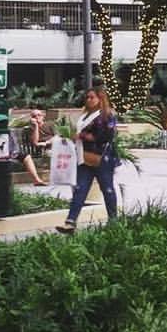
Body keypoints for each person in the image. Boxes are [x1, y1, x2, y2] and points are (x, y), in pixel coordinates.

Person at [56, 87, 118, 234]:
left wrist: (83, 136)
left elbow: (107, 136)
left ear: (100, 99)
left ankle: (114, 221)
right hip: (84, 157)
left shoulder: (106, 115)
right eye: (87, 97)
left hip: (102, 158)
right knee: (80, 189)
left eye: (92, 97)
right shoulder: (85, 115)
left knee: (107, 189)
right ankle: (70, 222)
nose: (89, 100)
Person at [20, 108, 53, 185]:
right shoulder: (29, 129)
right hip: (42, 151)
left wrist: (46, 142)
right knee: (50, 154)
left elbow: (57, 136)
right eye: (34, 116)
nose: (37, 117)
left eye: (39, 115)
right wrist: (36, 126)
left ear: (43, 116)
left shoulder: (50, 124)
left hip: (54, 146)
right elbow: (35, 142)